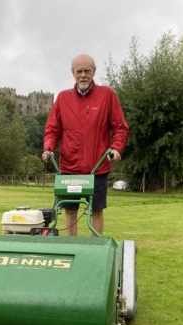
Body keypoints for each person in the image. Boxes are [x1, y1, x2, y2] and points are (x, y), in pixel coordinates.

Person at [42, 54, 129, 236]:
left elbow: (120, 127)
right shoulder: (63, 98)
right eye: (79, 71)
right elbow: (52, 130)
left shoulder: (107, 95)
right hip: (69, 167)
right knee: (70, 210)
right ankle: (72, 248)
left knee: (96, 211)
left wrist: (116, 148)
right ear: (73, 73)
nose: (83, 75)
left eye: (87, 71)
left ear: (94, 72)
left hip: (97, 167)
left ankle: (95, 249)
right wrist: (48, 149)